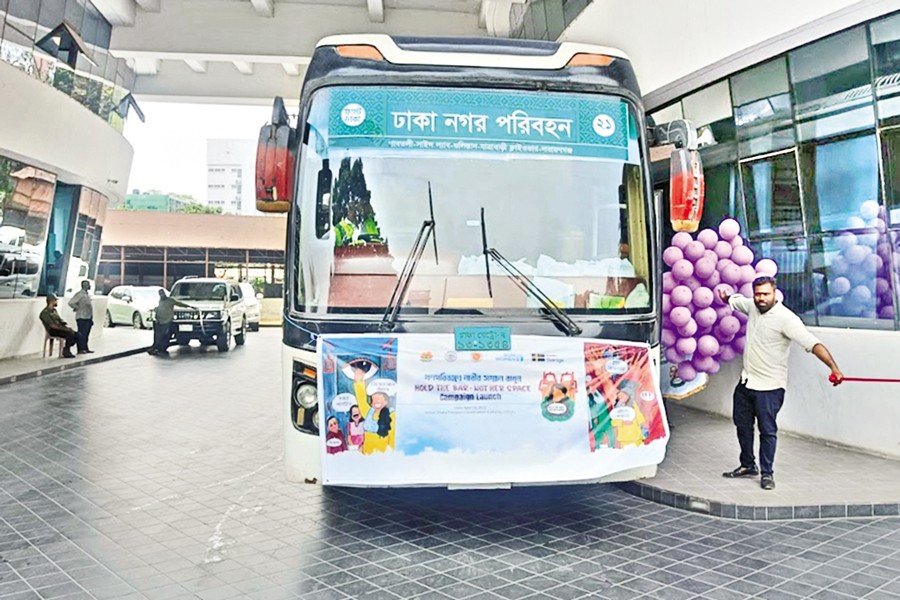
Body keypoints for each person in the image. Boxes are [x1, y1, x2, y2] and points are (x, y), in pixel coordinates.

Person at [718, 275, 843, 490]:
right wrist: (725, 297)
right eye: (757, 294)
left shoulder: (787, 319)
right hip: (746, 383)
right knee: (743, 426)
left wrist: (834, 368)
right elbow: (734, 300)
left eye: (765, 294)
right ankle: (747, 465)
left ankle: (767, 474)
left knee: (767, 431)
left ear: (774, 293)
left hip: (770, 388)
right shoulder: (752, 305)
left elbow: (813, 344)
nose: (761, 298)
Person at [150, 289, 193, 354]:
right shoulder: (160, 301)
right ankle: (156, 347)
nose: (162, 295)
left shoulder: (170, 300)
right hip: (160, 321)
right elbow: (160, 308)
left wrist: (189, 306)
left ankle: (160, 347)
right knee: (158, 335)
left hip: (167, 321)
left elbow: (179, 304)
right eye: (160, 294)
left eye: (163, 293)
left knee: (164, 335)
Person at [68, 280, 94, 354]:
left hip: (88, 317)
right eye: (88, 284)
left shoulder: (87, 294)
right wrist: (77, 307)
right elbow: (71, 302)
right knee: (82, 334)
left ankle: (85, 347)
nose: (90, 286)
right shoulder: (80, 294)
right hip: (82, 317)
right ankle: (80, 349)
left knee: (86, 334)